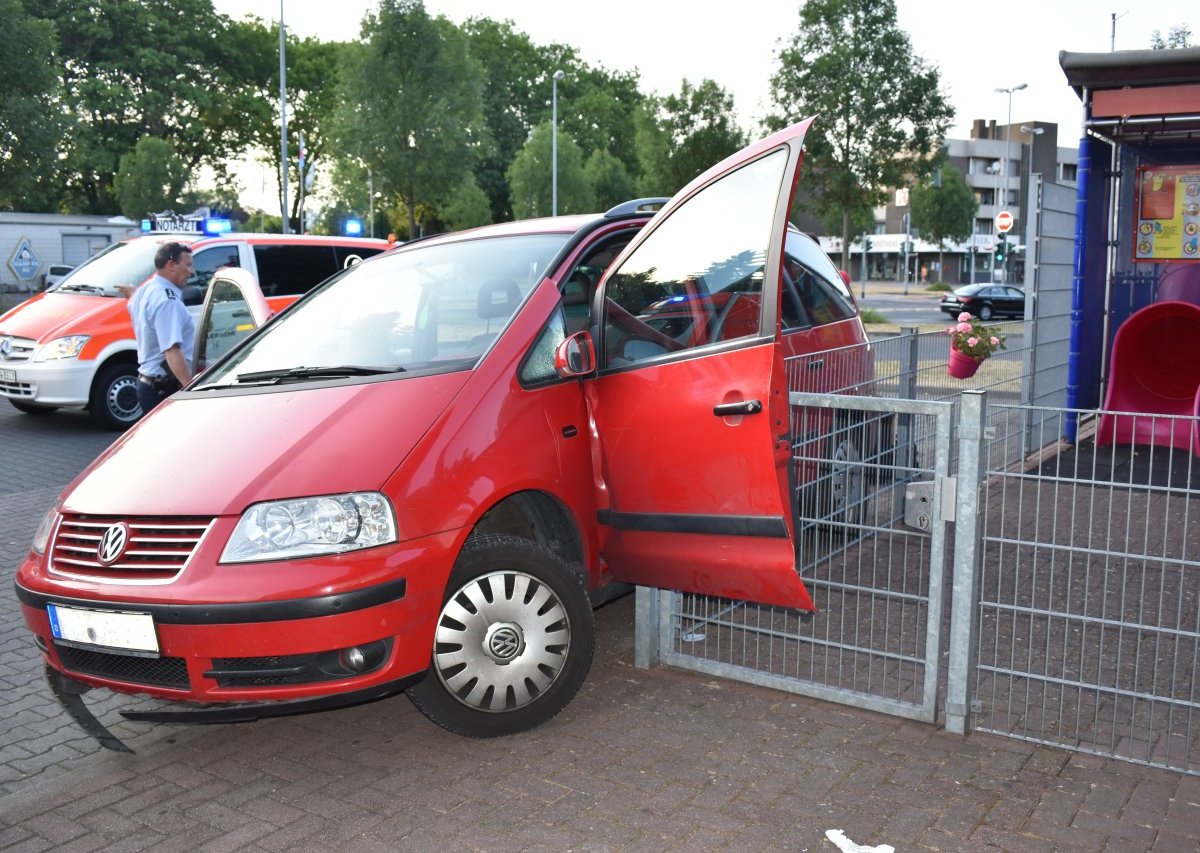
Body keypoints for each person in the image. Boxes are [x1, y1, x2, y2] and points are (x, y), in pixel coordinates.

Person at [128, 242, 196, 416]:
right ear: (171, 265)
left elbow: (133, 305)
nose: (192, 271)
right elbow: (172, 350)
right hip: (164, 387)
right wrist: (191, 391)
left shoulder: (145, 290)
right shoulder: (168, 301)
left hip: (149, 383)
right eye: (187, 265)